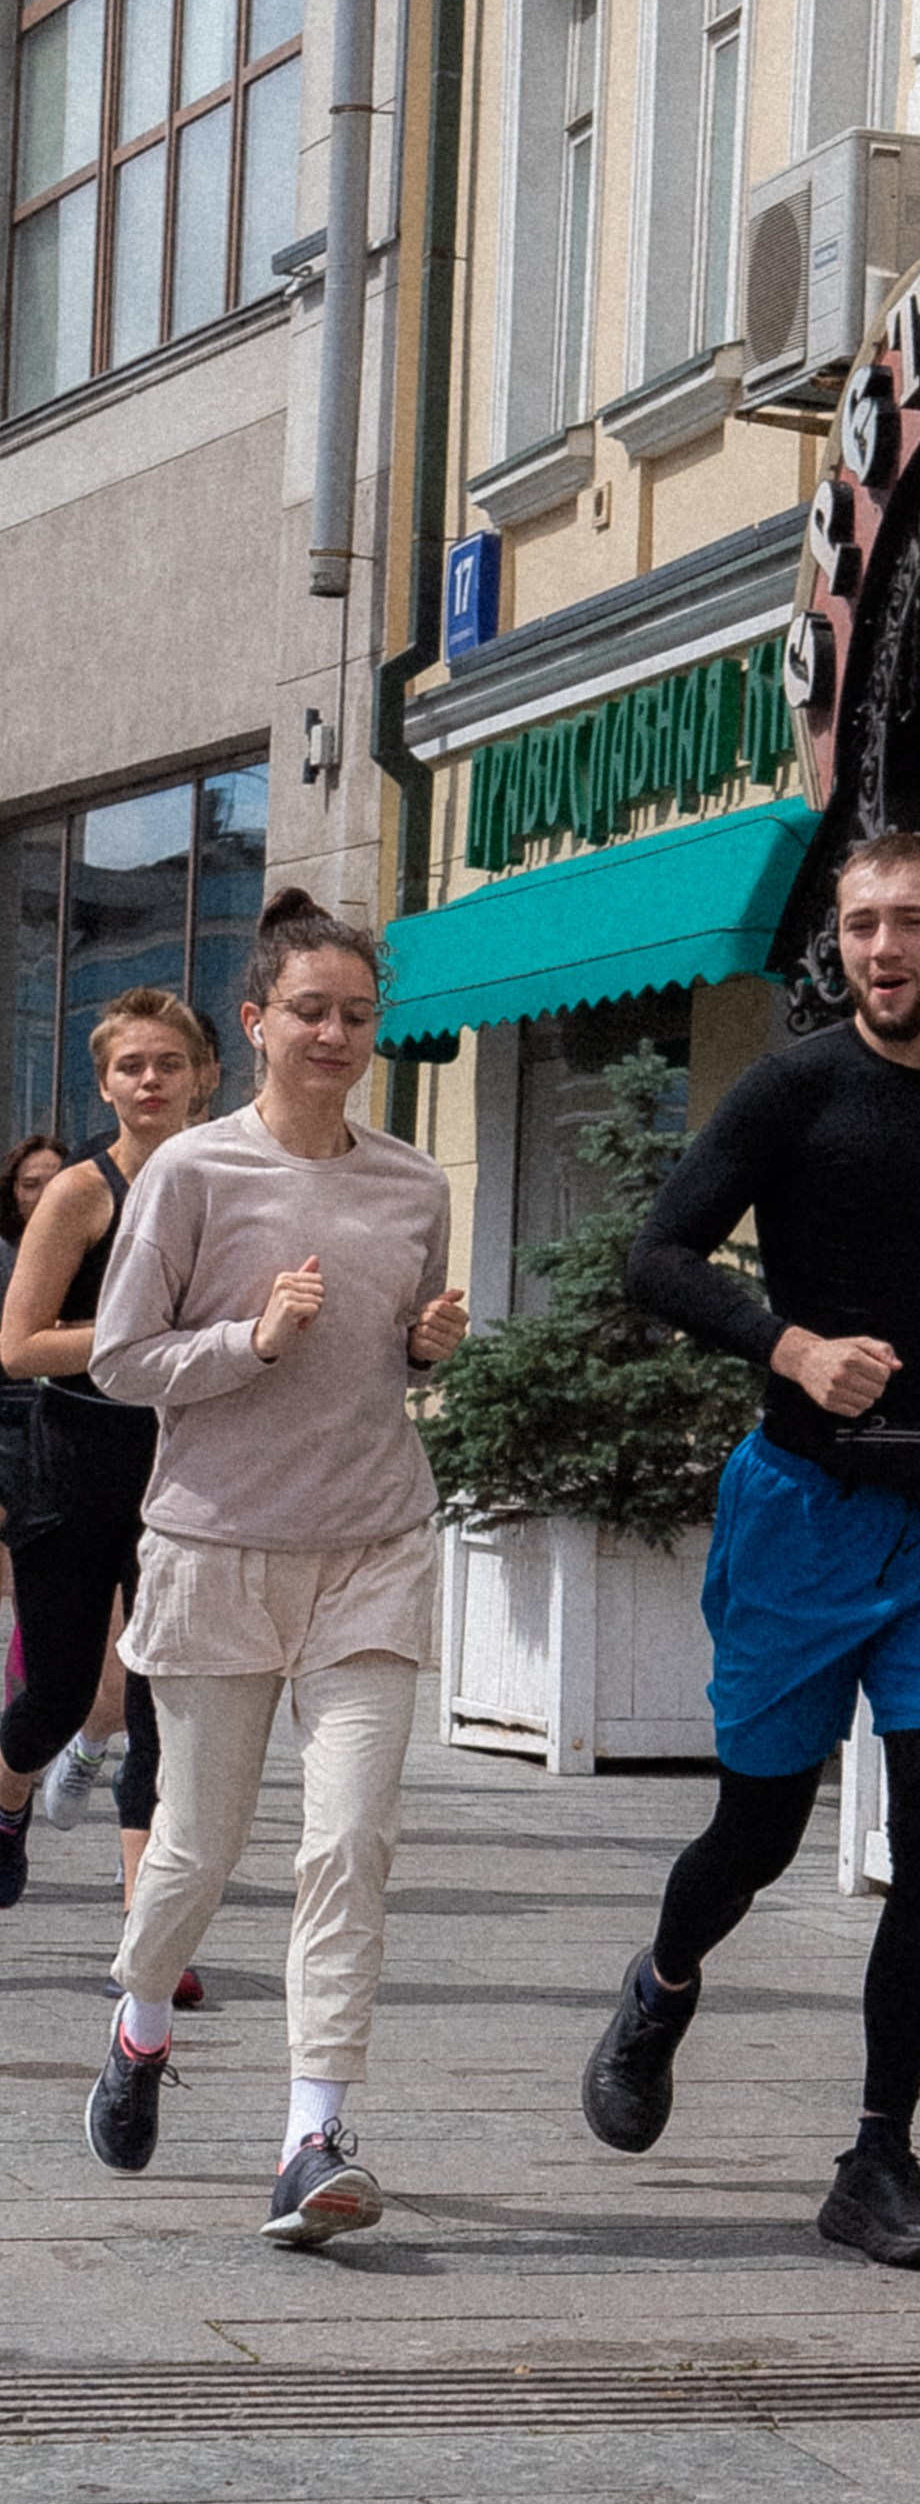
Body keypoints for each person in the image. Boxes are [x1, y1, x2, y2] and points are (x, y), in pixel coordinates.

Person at [579, 829, 920, 2268]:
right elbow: (660, 1255)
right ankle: (666, 1979)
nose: (881, 948)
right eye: (862, 924)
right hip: (800, 1507)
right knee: (754, 1827)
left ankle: (878, 2157)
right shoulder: (794, 1090)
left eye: (911, 923)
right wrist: (790, 1344)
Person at [80, 893, 468, 2247]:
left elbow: (393, 1357)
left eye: (358, 1016)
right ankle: (138, 2025)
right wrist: (249, 1340)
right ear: (254, 1022)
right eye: (310, 1011)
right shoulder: (189, 1174)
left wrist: (425, 1345)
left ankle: (313, 2134)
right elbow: (125, 1361)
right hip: (216, 1545)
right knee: (194, 1849)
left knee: (351, 1841)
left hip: (370, 1544)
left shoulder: (415, 1183)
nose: (335, 1034)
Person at [0, 1000, 205, 1920]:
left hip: (187, 1461)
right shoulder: (84, 1192)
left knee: (162, 1707)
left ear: (207, 1076)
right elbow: (17, 1346)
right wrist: (135, 1340)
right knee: (58, 1695)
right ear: (106, 1084)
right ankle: (7, 1810)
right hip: (77, 1454)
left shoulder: (228, 1177)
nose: (151, 1080)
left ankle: (144, 1927)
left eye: (169, 1063)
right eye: (132, 1067)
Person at [0, 1130, 65, 1676]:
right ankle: (22, 1747)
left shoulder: (100, 1265)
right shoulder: (5, 1264)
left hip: (78, 1450)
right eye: (30, 1184)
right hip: (14, 1453)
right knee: (31, 1608)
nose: (43, 1193)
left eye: (54, 1182)